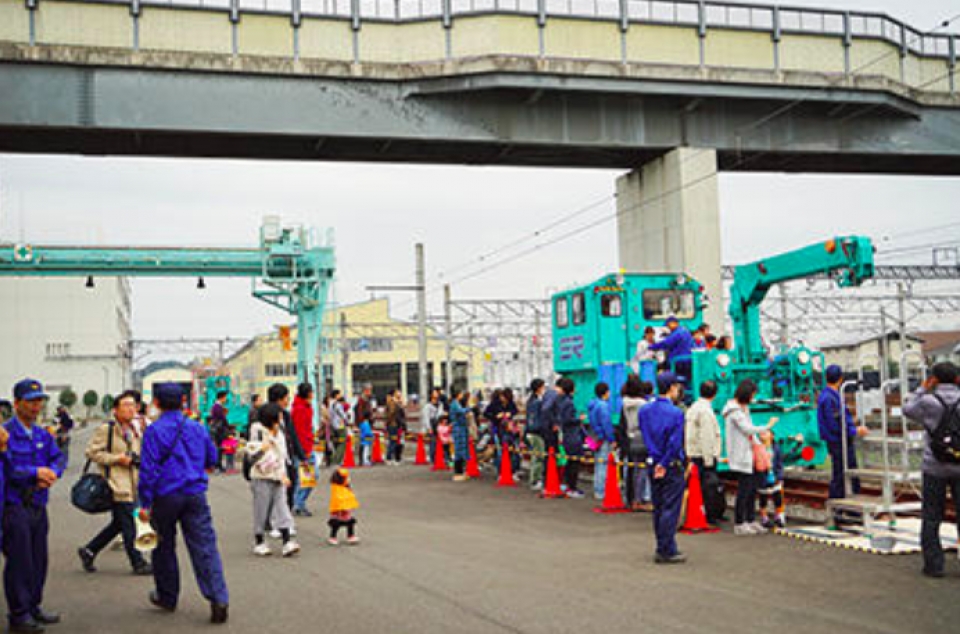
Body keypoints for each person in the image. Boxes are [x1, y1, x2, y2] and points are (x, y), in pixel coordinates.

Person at [138, 382, 229, 624]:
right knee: (205, 547)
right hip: (195, 494)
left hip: (165, 496)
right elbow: (212, 457)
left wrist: (144, 504)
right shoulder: (197, 427)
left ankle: (167, 596)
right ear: (183, 402)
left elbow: (147, 471)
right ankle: (218, 598)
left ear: (156, 403)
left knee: (164, 546)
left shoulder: (154, 431)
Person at [3, 379, 64, 633]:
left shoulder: (42, 434)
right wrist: (34, 473)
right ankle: (18, 614)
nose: (36, 406)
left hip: (39, 504)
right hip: (15, 505)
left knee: (39, 559)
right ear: (16, 404)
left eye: (39, 400)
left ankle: (34, 606)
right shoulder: (5, 434)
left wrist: (52, 472)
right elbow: (7, 469)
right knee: (20, 561)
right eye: (30, 401)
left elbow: (58, 457)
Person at [78, 390, 152, 576]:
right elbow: (92, 453)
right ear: (115, 410)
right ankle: (138, 562)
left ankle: (89, 550)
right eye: (126, 405)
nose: (131, 409)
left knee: (119, 523)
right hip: (116, 483)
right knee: (129, 524)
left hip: (133, 482)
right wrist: (117, 458)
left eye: (133, 405)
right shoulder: (107, 429)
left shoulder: (135, 429)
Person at [903, 361, 960, 578]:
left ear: (934, 379)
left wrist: (922, 388)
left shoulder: (928, 401)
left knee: (931, 516)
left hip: (934, 466)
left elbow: (908, 409)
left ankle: (934, 566)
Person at [637, 373, 686, 564]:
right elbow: (674, 443)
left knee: (658, 507)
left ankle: (661, 545)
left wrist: (657, 462)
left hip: (652, 461)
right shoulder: (676, 413)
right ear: (672, 387)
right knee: (670, 508)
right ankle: (667, 549)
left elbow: (646, 437)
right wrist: (664, 463)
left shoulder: (645, 411)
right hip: (670, 465)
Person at [723, 379, 777, 536]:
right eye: (753, 394)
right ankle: (740, 522)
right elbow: (747, 429)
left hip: (749, 453)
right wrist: (768, 426)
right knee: (744, 489)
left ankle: (750, 520)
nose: (754, 397)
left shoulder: (743, 408)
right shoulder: (734, 411)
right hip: (741, 454)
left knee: (752, 488)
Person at [246, 403, 300, 558]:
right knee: (261, 509)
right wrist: (263, 447)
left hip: (278, 476)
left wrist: (284, 474)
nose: (282, 418)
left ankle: (287, 541)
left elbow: (281, 455)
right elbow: (251, 454)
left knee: (282, 507)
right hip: (261, 476)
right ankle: (259, 541)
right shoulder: (257, 431)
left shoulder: (280, 432)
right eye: (279, 415)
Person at [817, 365, 868, 499]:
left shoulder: (828, 396)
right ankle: (841, 505)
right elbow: (835, 423)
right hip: (839, 440)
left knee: (844, 472)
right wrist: (854, 430)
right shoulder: (831, 398)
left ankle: (847, 502)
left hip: (837, 439)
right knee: (842, 473)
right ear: (840, 379)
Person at [685, 380, 723, 524]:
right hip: (704, 454)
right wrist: (709, 459)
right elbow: (707, 436)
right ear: (714, 394)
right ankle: (710, 515)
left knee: (700, 486)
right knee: (709, 487)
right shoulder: (706, 411)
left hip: (695, 452)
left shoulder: (694, 407)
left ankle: (703, 512)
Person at [267, 383, 306, 518]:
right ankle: (274, 521)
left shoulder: (286, 415)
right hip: (272, 460)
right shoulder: (265, 415)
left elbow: (293, 437)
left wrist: (302, 457)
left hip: (287, 458)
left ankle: (285, 519)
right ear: (278, 399)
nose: (287, 400)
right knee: (275, 491)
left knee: (290, 487)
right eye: (286, 398)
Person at [621, 376, 653, 511]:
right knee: (643, 470)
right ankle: (639, 500)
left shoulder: (624, 403)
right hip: (643, 437)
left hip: (631, 437)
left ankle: (632, 498)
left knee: (634, 469)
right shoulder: (644, 404)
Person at [555, 378, 584, 498]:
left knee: (570, 462)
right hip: (572, 435)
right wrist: (579, 419)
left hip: (567, 435)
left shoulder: (561, 401)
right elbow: (567, 420)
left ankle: (567, 485)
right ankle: (572, 488)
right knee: (574, 462)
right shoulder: (568, 402)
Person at [588, 382, 616, 500]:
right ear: (605, 393)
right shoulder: (603, 406)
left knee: (598, 464)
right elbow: (606, 424)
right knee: (603, 465)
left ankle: (597, 489)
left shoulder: (592, 405)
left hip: (595, 437)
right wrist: (612, 439)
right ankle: (601, 491)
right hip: (603, 438)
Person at [291, 383, 316, 517]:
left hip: (306, 446)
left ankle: (298, 503)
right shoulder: (300, 409)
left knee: (304, 478)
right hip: (303, 448)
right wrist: (304, 451)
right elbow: (300, 431)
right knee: (307, 477)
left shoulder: (305, 406)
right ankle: (298, 503)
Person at [649, 317, 695, 381]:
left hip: (679, 362)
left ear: (673, 323)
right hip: (687, 361)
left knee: (660, 368)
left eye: (668, 325)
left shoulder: (678, 333)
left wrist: (651, 347)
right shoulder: (685, 331)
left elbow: (666, 343)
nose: (668, 328)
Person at [756, 431, 786, 530]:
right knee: (763, 498)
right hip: (762, 476)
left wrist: (780, 477)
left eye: (766, 433)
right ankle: (764, 518)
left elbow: (779, 463)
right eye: (761, 434)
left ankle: (778, 516)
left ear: (772, 435)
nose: (763, 435)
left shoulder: (776, 448)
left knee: (778, 497)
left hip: (774, 476)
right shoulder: (758, 448)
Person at [327, 468, 360, 546]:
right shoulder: (337, 488)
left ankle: (350, 536)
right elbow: (338, 499)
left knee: (350, 523)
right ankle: (333, 537)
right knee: (336, 524)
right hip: (339, 510)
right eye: (347, 478)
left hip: (346, 509)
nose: (349, 479)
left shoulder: (345, 487)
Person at [525, 379, 547, 491]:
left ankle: (536, 479)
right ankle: (535, 480)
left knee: (537, 456)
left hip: (532, 432)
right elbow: (536, 419)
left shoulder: (532, 400)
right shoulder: (536, 402)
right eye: (543, 387)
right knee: (538, 457)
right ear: (539, 388)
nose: (545, 389)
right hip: (536, 432)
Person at [450, 391, 470, 482]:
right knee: (459, 450)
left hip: (461, 428)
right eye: (461, 393)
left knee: (462, 449)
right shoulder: (454, 404)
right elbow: (461, 411)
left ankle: (462, 471)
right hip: (458, 429)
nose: (462, 395)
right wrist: (469, 408)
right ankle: (458, 472)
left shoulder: (456, 403)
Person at [209, 391, 229, 474]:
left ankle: (219, 465)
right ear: (222, 397)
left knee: (220, 447)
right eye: (225, 397)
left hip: (219, 429)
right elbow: (222, 418)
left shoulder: (218, 406)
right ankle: (217, 465)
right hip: (219, 430)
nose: (226, 399)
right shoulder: (217, 407)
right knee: (219, 447)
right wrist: (228, 425)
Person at [385, 389, 407, 465]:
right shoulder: (392, 403)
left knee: (396, 442)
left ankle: (394, 457)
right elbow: (391, 414)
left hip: (397, 425)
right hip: (393, 425)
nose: (400, 394)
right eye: (398, 392)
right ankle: (389, 458)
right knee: (393, 442)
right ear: (394, 394)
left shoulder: (397, 403)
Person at [424, 388, 444, 463]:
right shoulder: (428, 406)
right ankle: (432, 458)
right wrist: (429, 428)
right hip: (432, 425)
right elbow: (426, 417)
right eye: (435, 392)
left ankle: (440, 457)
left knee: (441, 441)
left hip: (440, 424)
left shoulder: (440, 404)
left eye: (437, 393)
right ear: (431, 395)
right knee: (433, 442)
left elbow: (441, 414)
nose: (436, 394)